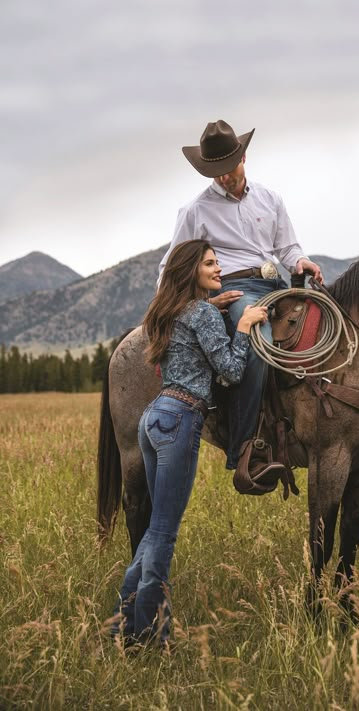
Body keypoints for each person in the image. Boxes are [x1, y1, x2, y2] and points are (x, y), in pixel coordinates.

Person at [111, 239, 268, 649]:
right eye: (211, 264)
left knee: (152, 533)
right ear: (191, 270)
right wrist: (244, 326)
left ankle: (122, 623)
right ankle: (147, 636)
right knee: (163, 534)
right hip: (182, 420)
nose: (219, 269)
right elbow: (232, 372)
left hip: (154, 418)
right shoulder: (201, 312)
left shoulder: (171, 312)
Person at [158, 120, 323, 470]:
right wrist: (183, 307)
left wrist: (302, 260)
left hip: (276, 283)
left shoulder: (270, 199)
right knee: (259, 343)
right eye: (214, 172)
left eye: (227, 169)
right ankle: (247, 450)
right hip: (237, 291)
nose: (222, 178)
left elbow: (287, 248)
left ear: (244, 156)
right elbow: (171, 266)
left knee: (323, 327)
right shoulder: (196, 211)